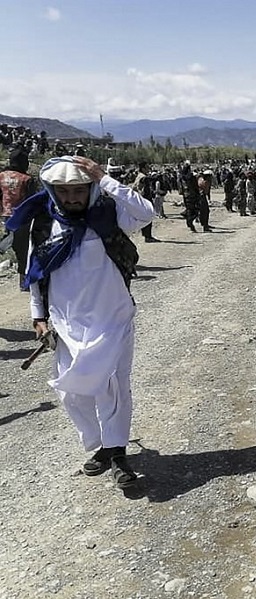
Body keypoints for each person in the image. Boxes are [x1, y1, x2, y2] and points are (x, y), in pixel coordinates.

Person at [5, 156, 155, 489]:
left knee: (114, 388)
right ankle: (100, 445)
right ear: (53, 191)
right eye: (64, 191)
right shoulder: (44, 223)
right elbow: (36, 273)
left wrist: (104, 178)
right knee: (73, 393)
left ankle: (117, 453)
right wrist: (38, 316)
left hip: (112, 318)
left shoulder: (108, 216)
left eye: (78, 190)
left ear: (91, 189)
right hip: (66, 323)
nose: (72, 197)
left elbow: (146, 213)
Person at [0, 145, 40, 288]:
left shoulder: (2, 176)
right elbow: (31, 200)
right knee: (23, 248)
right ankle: (23, 281)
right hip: (22, 217)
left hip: (5, 215)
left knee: (13, 242)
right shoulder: (27, 179)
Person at [132, 161, 160, 242]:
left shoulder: (140, 176)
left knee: (146, 218)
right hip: (144, 199)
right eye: (147, 167)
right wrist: (155, 178)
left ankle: (147, 235)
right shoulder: (142, 176)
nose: (148, 169)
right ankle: (148, 236)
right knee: (148, 217)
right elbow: (144, 180)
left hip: (143, 199)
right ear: (143, 168)